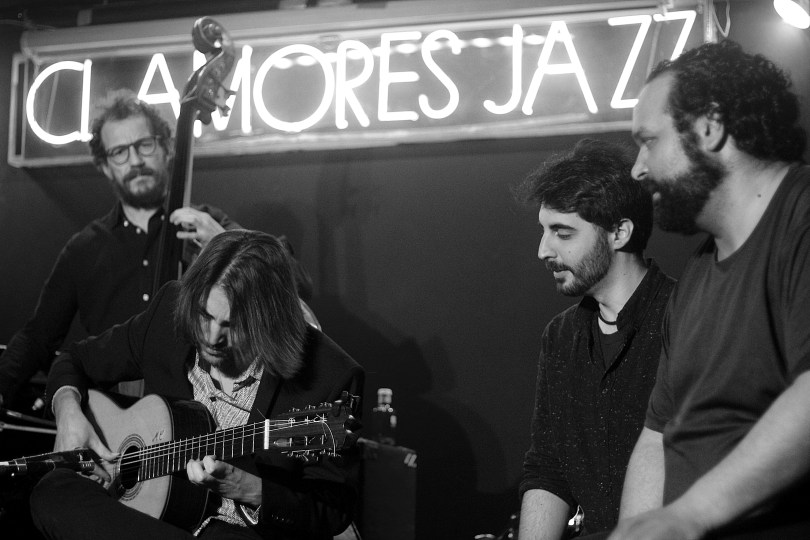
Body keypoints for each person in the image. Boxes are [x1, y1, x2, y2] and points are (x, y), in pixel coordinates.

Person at [29, 229, 364, 540]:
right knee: (53, 491)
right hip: (148, 517)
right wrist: (67, 411)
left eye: (234, 325)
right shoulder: (168, 312)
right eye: (205, 315)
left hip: (237, 532)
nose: (213, 337)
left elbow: (334, 510)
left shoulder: (330, 374)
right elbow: (75, 359)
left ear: (268, 321)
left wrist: (247, 488)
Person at [609, 40, 810, 539]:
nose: (637, 168)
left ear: (709, 127)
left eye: (649, 141)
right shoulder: (697, 273)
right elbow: (657, 436)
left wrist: (687, 517)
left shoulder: (801, 220)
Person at [0, 91, 307, 407]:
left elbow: (295, 286)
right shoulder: (84, 248)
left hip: (198, 412)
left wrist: (223, 239)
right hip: (115, 417)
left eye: (144, 145)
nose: (135, 161)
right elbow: (38, 336)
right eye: (119, 152)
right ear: (105, 166)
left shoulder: (207, 225)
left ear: (166, 147)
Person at [514, 138, 675, 538]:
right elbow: (548, 468)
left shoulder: (684, 315)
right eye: (544, 231)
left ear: (619, 232)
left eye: (562, 233)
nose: (543, 250)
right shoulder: (561, 335)